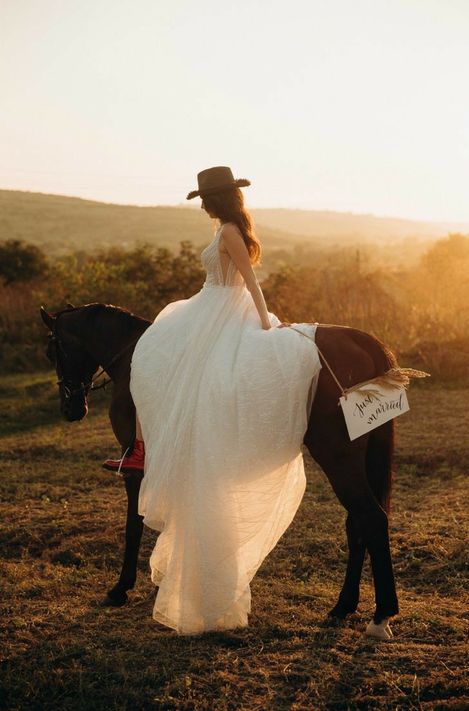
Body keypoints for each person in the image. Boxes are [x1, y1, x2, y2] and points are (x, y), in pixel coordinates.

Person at [104, 166, 322, 635]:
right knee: (152, 362)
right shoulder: (223, 229)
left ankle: (143, 448)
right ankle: (141, 446)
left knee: (165, 365)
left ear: (218, 200)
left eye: (206, 197)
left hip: (224, 312)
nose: (202, 204)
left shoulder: (228, 231)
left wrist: (265, 324)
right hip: (206, 308)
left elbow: (248, 282)